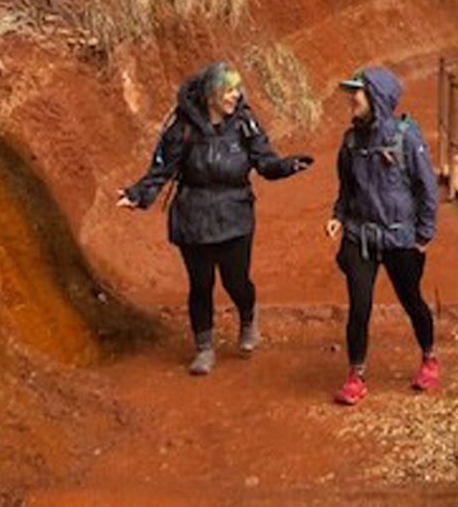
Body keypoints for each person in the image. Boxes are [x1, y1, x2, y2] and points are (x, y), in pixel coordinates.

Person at [118, 62, 312, 375]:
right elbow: (162, 169)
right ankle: (204, 348)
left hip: (235, 213)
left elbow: (265, 162)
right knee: (201, 284)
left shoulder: (245, 124)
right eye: (228, 90)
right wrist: (138, 194)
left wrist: (287, 166)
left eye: (236, 89)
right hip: (193, 216)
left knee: (236, 281)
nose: (235, 95)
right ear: (211, 95)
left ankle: (248, 316)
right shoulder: (182, 129)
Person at [324, 66, 439, 406]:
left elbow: (427, 188)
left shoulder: (406, 138)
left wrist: (423, 236)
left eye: (357, 93)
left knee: (411, 300)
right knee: (359, 306)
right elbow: (346, 189)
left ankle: (429, 356)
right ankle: (355, 376)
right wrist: (338, 217)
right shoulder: (351, 142)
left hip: (400, 237)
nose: (352, 100)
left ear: (376, 97)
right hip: (360, 236)